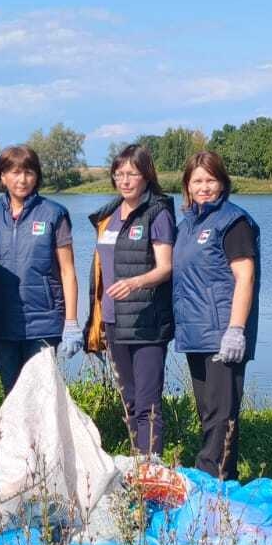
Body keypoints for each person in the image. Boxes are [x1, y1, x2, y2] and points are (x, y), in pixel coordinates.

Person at [84, 144, 176, 458]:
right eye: (119, 174)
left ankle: (152, 470)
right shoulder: (108, 215)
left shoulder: (158, 213)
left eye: (132, 174)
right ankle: (140, 466)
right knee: (131, 400)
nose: (125, 180)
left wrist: (136, 282)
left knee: (148, 403)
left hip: (146, 320)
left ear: (146, 176)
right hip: (112, 320)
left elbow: (166, 267)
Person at [173, 149, 260, 479]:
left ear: (223, 183)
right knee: (209, 414)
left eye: (211, 179)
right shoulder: (187, 226)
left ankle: (216, 485)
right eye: (197, 180)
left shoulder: (232, 222)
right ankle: (214, 480)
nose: (204, 186)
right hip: (195, 334)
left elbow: (245, 277)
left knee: (222, 416)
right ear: (187, 185)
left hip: (223, 334)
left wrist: (236, 329)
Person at [0, 144, 81, 392]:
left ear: (37, 176)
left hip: (44, 321)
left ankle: (46, 434)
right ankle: (14, 434)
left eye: (28, 172)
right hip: (2, 322)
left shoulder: (54, 214)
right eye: (14, 172)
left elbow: (68, 271)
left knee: (40, 395)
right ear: (2, 177)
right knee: (11, 394)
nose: (22, 179)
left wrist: (70, 322)